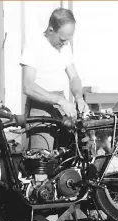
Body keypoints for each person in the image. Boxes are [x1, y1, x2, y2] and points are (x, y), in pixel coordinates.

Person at [20, 7, 90, 153]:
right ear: (51, 30)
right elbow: (28, 86)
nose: (64, 43)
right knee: (41, 162)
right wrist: (60, 101)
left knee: (66, 158)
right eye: (62, 39)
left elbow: (74, 76)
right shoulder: (34, 45)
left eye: (68, 39)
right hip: (40, 108)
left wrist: (78, 98)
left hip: (61, 106)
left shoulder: (65, 46)